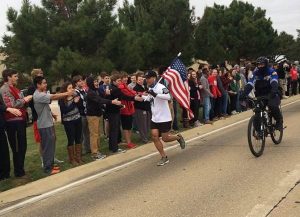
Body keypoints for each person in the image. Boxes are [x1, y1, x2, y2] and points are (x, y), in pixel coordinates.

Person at [142, 70, 186, 166]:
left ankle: (178, 137)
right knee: (154, 136)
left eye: (148, 78)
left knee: (165, 138)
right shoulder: (150, 88)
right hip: (155, 117)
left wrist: (156, 94)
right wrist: (142, 96)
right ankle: (164, 157)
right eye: (146, 78)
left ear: (154, 78)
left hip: (164, 117)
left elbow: (168, 96)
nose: (147, 80)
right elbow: (150, 99)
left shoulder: (161, 87)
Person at [33, 76, 74, 175]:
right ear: (38, 85)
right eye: (43, 83)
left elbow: (46, 106)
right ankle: (48, 168)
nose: (45, 84)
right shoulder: (38, 95)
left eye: (45, 82)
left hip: (48, 123)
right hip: (44, 125)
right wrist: (67, 93)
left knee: (50, 145)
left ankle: (50, 165)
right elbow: (53, 97)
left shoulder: (42, 93)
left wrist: (52, 114)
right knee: (47, 147)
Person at [0, 69, 33, 178]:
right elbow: (11, 105)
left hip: (20, 120)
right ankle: (18, 172)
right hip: (13, 122)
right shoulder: (4, 89)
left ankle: (21, 169)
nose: (17, 78)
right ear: (8, 77)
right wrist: (25, 100)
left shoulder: (15, 88)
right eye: (15, 76)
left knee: (23, 146)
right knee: (18, 147)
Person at [241, 56, 283, 131]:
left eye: (262, 64)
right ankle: (258, 130)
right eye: (258, 65)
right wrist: (244, 94)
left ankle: (279, 122)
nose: (260, 66)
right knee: (257, 110)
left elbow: (274, 81)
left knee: (272, 106)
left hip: (272, 93)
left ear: (266, 64)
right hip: (260, 95)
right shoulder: (255, 73)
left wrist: (273, 91)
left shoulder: (271, 71)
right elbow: (250, 84)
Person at [105, 73, 143, 153]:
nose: (120, 82)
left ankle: (112, 147)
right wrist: (134, 98)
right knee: (114, 130)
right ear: (114, 81)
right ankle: (114, 148)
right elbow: (124, 96)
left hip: (112, 111)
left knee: (114, 129)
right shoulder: (115, 89)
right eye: (119, 80)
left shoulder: (112, 88)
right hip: (114, 111)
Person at [86, 76, 121, 160]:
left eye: (97, 81)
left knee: (97, 133)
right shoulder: (91, 92)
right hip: (92, 116)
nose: (96, 83)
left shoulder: (95, 90)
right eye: (94, 82)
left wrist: (106, 95)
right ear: (90, 83)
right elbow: (99, 100)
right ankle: (94, 153)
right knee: (94, 134)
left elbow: (101, 99)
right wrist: (112, 101)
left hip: (97, 114)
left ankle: (97, 151)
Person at [59, 82, 83, 165]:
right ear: (65, 90)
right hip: (68, 122)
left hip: (77, 119)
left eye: (72, 87)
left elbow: (80, 106)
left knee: (78, 138)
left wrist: (78, 101)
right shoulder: (62, 98)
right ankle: (72, 159)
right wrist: (74, 103)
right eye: (69, 88)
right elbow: (64, 111)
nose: (72, 89)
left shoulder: (75, 94)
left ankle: (78, 157)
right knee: (71, 139)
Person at [0, 99, 22, 180]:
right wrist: (7, 108)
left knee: (4, 151)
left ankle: (5, 173)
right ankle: (3, 174)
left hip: (1, 126)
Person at [119, 72, 138, 149]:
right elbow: (129, 94)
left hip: (129, 108)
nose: (126, 78)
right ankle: (128, 142)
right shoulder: (121, 86)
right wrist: (137, 94)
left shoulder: (125, 85)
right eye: (124, 77)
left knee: (129, 126)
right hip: (124, 109)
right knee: (126, 127)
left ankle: (129, 141)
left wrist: (138, 93)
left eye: (127, 77)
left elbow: (131, 92)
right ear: (121, 79)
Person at [73, 75, 91, 154]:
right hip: (80, 114)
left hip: (86, 113)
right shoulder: (75, 92)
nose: (82, 82)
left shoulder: (84, 90)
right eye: (79, 81)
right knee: (80, 134)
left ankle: (87, 148)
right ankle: (79, 151)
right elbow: (77, 104)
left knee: (87, 132)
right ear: (76, 83)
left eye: (82, 80)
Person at [133, 73, 151, 143]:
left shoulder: (145, 86)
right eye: (139, 80)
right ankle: (144, 139)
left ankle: (146, 137)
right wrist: (143, 95)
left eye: (142, 79)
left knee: (147, 123)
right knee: (142, 124)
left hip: (147, 107)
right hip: (140, 108)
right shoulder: (135, 88)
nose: (141, 81)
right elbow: (136, 97)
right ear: (137, 81)